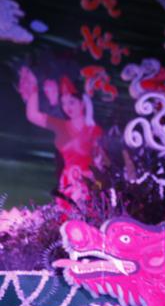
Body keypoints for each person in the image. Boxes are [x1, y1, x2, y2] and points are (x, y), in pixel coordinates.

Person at [17, 67, 103, 212]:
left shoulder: (94, 130)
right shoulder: (61, 126)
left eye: (72, 102)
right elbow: (33, 115)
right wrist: (34, 87)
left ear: (82, 103)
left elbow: (100, 161)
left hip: (88, 184)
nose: (67, 107)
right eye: (64, 103)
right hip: (68, 183)